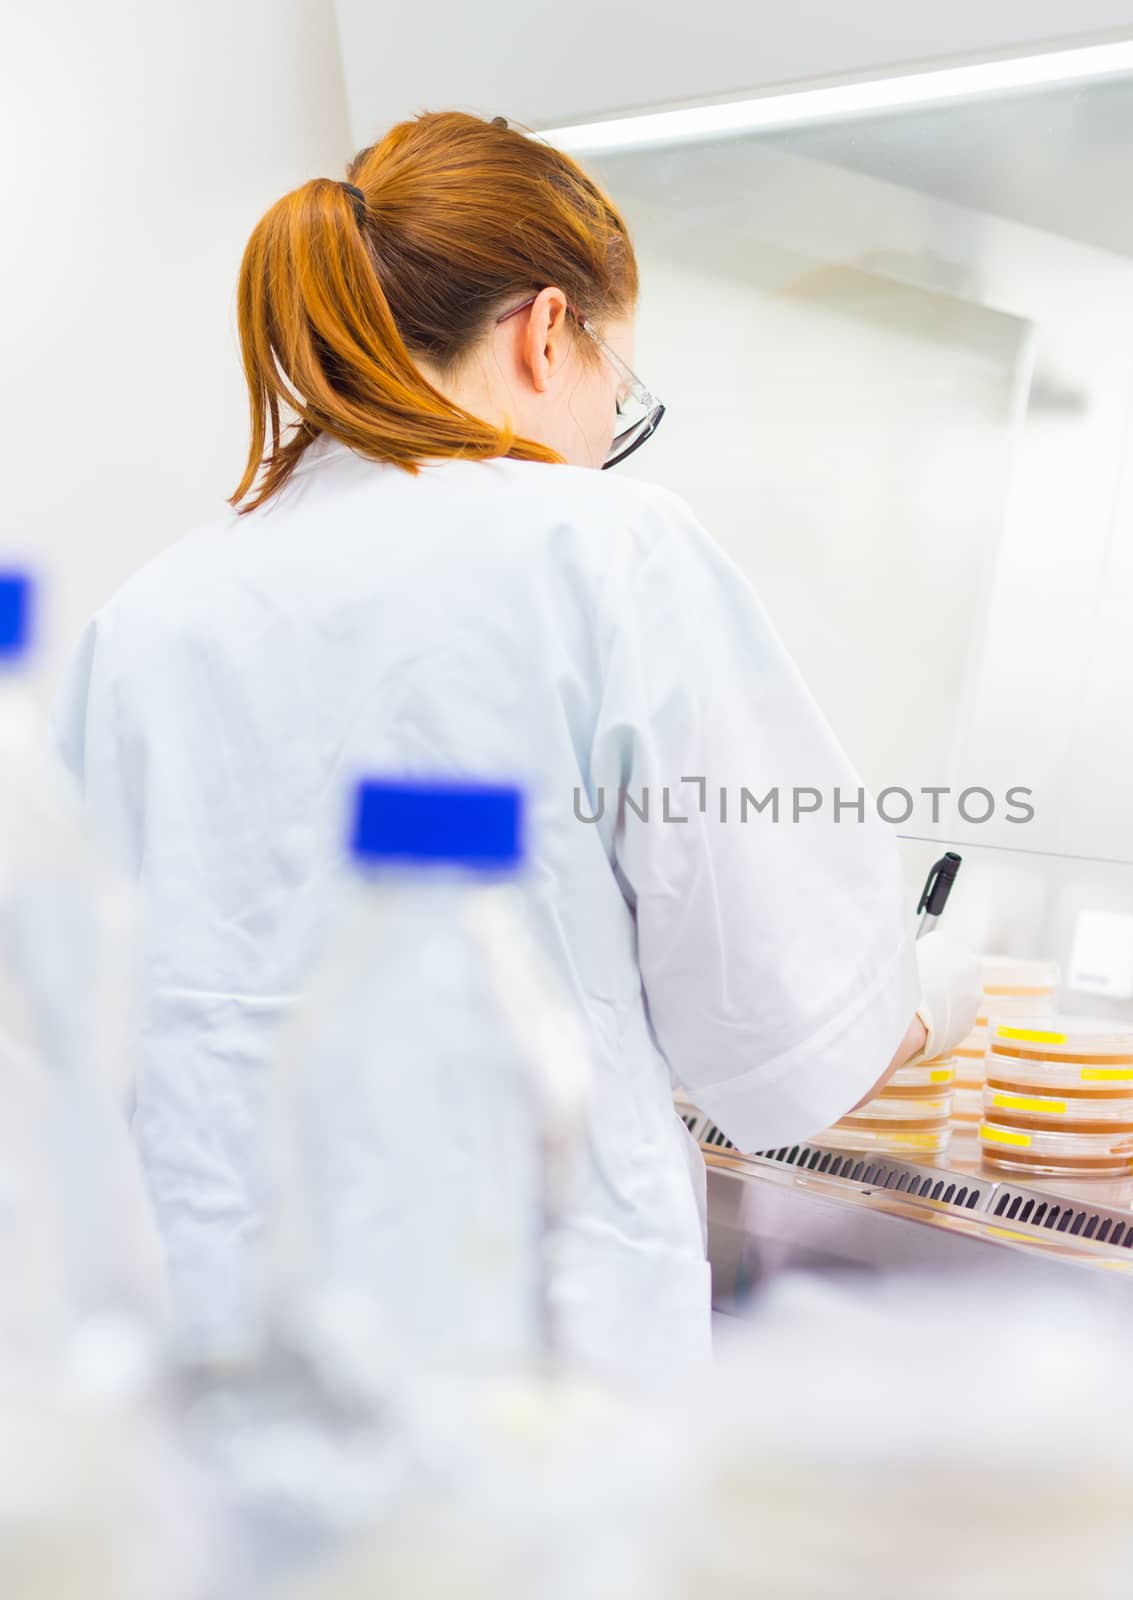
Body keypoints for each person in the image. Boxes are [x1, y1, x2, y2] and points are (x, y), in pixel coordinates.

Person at [54, 111, 980, 1386]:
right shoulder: (604, 549)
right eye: (623, 392)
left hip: (216, 1375)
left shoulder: (150, 615)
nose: (610, 433)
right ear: (551, 332)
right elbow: (783, 1034)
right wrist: (944, 993)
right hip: (526, 1380)